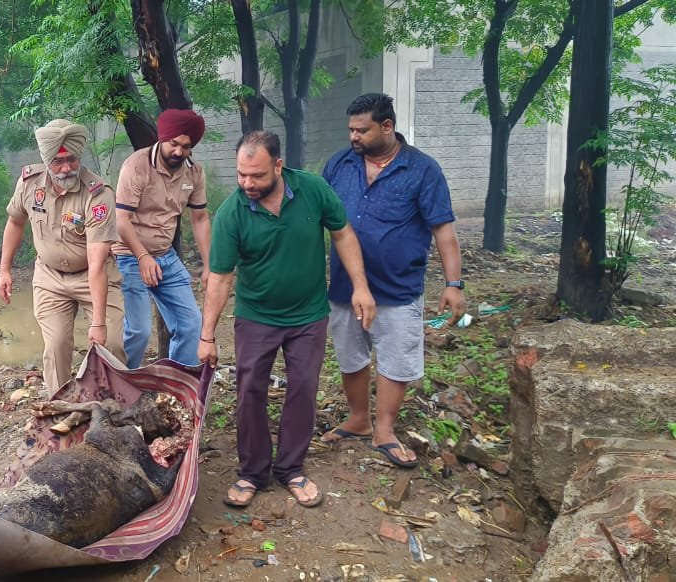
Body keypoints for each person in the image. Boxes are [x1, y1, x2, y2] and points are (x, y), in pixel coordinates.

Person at [198, 131, 376, 509]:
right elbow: (221, 278)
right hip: (257, 316)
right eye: (241, 175)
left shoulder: (313, 190)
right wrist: (207, 334)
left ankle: (291, 468)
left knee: (303, 388)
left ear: (278, 165)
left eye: (257, 176)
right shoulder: (231, 213)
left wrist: (360, 286)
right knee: (249, 391)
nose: (247, 183)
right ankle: (252, 472)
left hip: (308, 314)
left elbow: (342, 233)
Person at [319, 93, 467, 469]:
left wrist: (454, 284)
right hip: (345, 287)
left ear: (387, 126)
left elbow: (444, 231)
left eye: (362, 130)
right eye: (350, 129)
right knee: (351, 354)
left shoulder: (422, 170)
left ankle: (384, 428)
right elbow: (314, 217)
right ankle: (358, 418)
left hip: (398, 286)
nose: (353, 137)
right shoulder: (339, 165)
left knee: (395, 357)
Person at [0, 119, 126, 393]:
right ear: (46, 160)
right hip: (49, 278)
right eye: (58, 161)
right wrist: (5, 270)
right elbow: (15, 222)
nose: (66, 168)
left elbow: (97, 264)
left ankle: (116, 404)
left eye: (72, 160)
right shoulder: (30, 184)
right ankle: (60, 406)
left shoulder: (98, 195)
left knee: (112, 341)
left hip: (92, 275)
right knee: (56, 345)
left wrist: (98, 323)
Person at [114, 109, 212, 368]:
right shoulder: (136, 166)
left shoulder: (195, 173)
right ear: (162, 138)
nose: (179, 152)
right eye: (174, 144)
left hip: (165, 257)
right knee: (138, 331)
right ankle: (121, 387)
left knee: (192, 323)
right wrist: (143, 257)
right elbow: (121, 221)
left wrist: (209, 265)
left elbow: (200, 219)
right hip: (128, 256)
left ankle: (172, 386)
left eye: (186, 147)